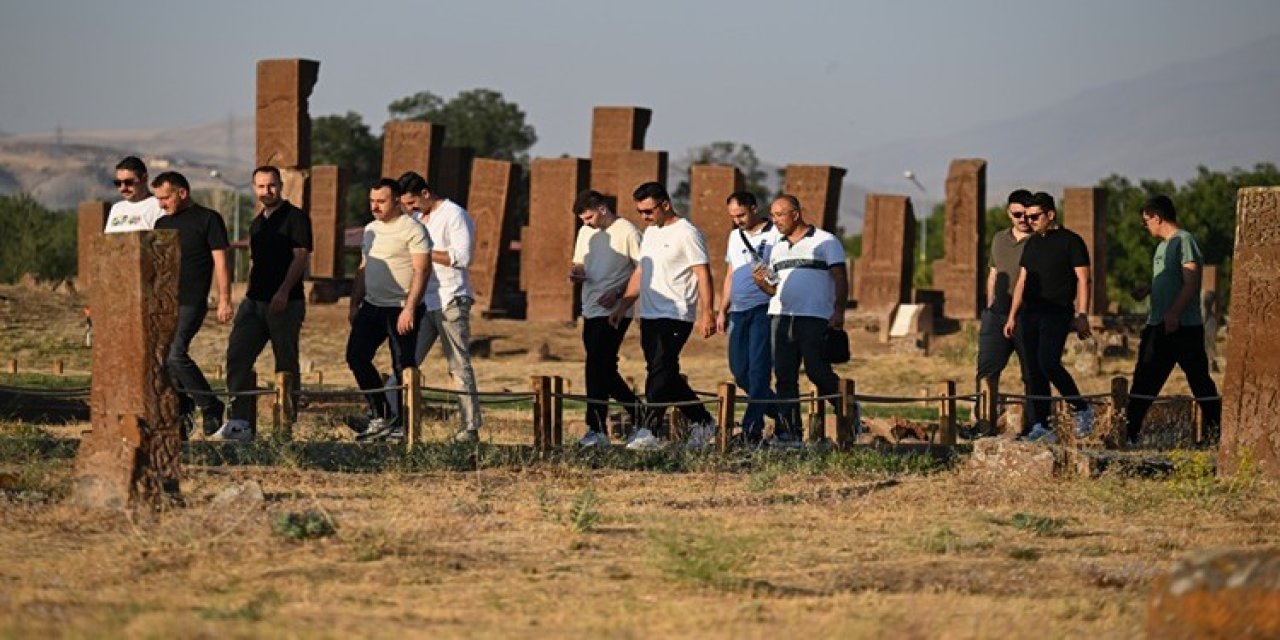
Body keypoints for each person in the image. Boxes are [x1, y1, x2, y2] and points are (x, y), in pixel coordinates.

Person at [608, 182, 717, 450]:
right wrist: (623, 305)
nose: (644, 217)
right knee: (664, 371)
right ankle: (703, 421)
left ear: (665, 204)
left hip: (676, 313)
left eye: (648, 211)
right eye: (640, 212)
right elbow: (641, 273)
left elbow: (702, 274)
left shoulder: (687, 233)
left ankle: (650, 430)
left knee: (659, 369)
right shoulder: (650, 233)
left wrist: (707, 312)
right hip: (649, 313)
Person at [217, 166, 313, 441]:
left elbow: (300, 256)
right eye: (260, 186)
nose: (266, 191)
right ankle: (239, 420)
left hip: (285, 301)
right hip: (254, 302)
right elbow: (255, 261)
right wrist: (246, 293)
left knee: (285, 360)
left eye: (271, 185)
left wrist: (283, 291)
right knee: (237, 354)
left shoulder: (296, 218)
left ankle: (286, 423)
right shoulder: (257, 222)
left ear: (280, 185)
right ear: (254, 188)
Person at [752, 194, 849, 447]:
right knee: (784, 376)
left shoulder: (826, 241)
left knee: (817, 371)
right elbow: (775, 289)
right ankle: (789, 433)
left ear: (795, 214)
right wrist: (761, 284)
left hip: (815, 316)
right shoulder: (777, 247)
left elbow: (840, 277)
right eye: (772, 216)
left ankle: (848, 409)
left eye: (779, 215)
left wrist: (839, 311)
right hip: (781, 317)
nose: (775, 220)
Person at [1124, 195, 1221, 447]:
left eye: (1146, 221)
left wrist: (1174, 312)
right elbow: (1170, 280)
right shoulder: (1162, 247)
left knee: (1199, 380)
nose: (1145, 226)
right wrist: (1148, 290)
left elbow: (1191, 282)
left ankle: (1216, 434)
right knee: (1144, 379)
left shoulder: (1184, 241)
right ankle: (1128, 434)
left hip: (1183, 325)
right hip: (1158, 323)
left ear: (1157, 217)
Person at [396, 172, 482, 443]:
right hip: (422, 301)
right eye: (405, 205)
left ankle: (469, 427)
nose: (410, 209)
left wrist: (423, 252)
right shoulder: (417, 219)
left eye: (412, 203)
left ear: (425, 193)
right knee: (406, 360)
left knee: (458, 364)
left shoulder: (454, 214)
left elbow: (462, 257)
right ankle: (386, 417)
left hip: (451, 299)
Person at [1003, 191, 1094, 442]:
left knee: (1048, 362)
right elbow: (1022, 280)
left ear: (1050, 214)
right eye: (1026, 217)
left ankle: (1081, 408)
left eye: (1035, 217)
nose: (1029, 221)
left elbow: (1084, 279)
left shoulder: (1071, 241)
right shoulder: (1032, 243)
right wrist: (1012, 315)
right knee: (1034, 370)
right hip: (1030, 313)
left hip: (1057, 312)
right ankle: (1041, 425)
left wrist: (1082, 314)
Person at [345, 178, 431, 441]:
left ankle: (403, 426)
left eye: (381, 201)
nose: (375, 206)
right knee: (356, 356)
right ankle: (381, 415)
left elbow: (422, 270)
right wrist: (354, 302)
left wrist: (410, 308)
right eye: (372, 201)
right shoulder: (371, 229)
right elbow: (364, 267)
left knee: (403, 366)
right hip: (372, 305)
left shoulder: (413, 229)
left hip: (400, 308)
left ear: (396, 201)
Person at [151, 171, 231, 438]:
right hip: (165, 301)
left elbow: (221, 261)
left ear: (182, 193)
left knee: (176, 354)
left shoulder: (208, 219)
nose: (161, 204)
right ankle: (182, 413)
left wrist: (224, 299)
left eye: (165, 198)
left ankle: (210, 405)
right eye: (158, 198)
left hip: (192, 300)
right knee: (165, 358)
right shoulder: (161, 223)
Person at [570, 189, 643, 447]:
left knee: (597, 366)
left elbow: (642, 269)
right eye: (582, 219)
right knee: (602, 368)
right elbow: (579, 261)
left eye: (589, 217)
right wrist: (577, 272)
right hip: (590, 307)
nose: (586, 223)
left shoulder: (628, 231)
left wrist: (619, 293)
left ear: (602, 209)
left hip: (615, 310)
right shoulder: (585, 232)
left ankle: (596, 427)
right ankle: (641, 414)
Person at [715, 191, 780, 445]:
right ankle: (783, 410)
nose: (737, 220)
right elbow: (730, 274)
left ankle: (752, 429)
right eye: (733, 216)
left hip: (764, 308)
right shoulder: (735, 236)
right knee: (739, 370)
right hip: (738, 311)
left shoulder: (775, 234)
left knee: (759, 370)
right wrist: (722, 309)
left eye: (741, 215)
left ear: (754, 208)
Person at [971, 189, 1035, 437]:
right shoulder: (999, 238)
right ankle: (983, 425)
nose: (1022, 219)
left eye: (1027, 214)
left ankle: (1035, 427)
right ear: (1008, 213)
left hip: (1028, 316)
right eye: (1017, 214)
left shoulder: (1040, 241)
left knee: (1031, 373)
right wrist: (990, 305)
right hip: (996, 314)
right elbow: (993, 273)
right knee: (987, 371)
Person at [105, 156, 162, 233]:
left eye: (129, 182)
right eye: (118, 183)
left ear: (144, 179)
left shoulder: (159, 206)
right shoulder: (116, 208)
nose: (123, 188)